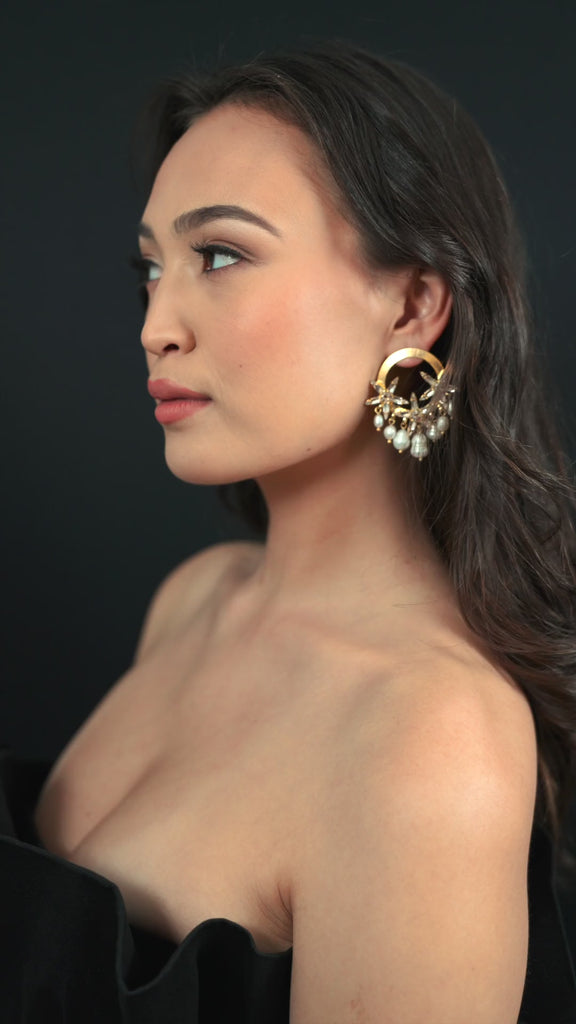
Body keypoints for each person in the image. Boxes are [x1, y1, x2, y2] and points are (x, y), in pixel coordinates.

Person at [1, 40, 576, 1023]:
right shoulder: (196, 599)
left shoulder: (430, 737)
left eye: (220, 254)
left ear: (413, 305)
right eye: (151, 267)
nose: (155, 324)